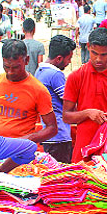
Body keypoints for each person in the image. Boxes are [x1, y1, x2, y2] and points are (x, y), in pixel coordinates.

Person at [62, 28, 107, 162]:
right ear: (88, 46)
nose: (98, 59)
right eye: (94, 53)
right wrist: (87, 113)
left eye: (104, 54)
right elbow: (66, 116)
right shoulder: (76, 77)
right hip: (84, 149)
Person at [0, 39, 57, 143]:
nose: (10, 72)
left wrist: (26, 140)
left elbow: (52, 128)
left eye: (16, 67)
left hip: (20, 152)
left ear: (27, 60)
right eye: (6, 67)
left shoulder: (38, 90)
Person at [35, 35, 76, 163]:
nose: (69, 62)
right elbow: (70, 104)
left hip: (49, 134)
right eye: (68, 59)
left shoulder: (40, 71)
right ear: (59, 58)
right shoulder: (55, 75)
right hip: (59, 135)